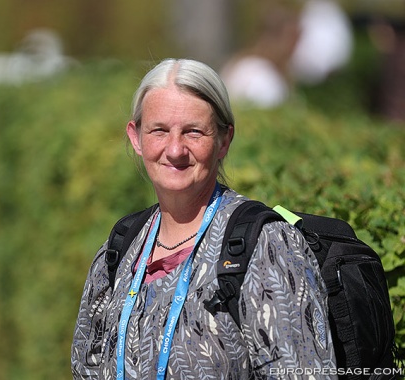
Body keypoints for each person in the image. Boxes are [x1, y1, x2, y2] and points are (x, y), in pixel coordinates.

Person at [71, 58, 337, 379]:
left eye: (193, 132)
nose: (175, 149)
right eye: (159, 130)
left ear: (224, 141)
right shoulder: (121, 248)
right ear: (136, 137)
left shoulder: (267, 247)